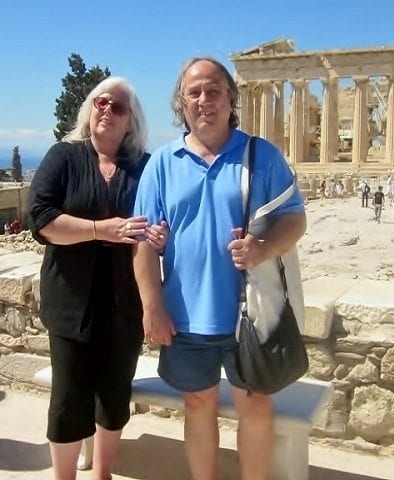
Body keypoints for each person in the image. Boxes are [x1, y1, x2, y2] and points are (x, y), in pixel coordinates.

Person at [132, 57, 306, 480]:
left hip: (249, 313)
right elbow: (142, 242)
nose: (204, 100)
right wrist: (152, 306)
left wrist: (261, 248)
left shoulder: (260, 155)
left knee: (256, 405)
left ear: (231, 98)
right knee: (197, 405)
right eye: (194, 92)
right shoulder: (161, 163)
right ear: (182, 103)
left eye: (213, 90)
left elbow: (295, 219)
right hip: (185, 314)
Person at [27, 76, 168, 480]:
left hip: (125, 303)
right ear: (89, 110)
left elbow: (161, 221)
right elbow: (42, 219)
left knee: (114, 394)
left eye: (118, 107)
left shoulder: (146, 166)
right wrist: (102, 230)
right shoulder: (63, 156)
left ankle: (102, 473)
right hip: (71, 302)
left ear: (131, 121)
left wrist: (161, 236)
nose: (107, 110)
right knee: (69, 397)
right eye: (101, 102)